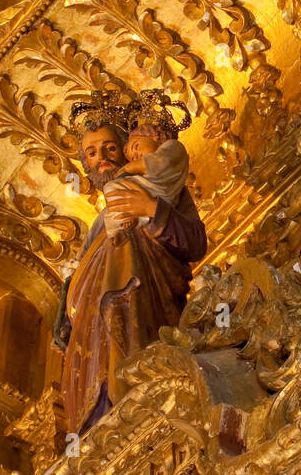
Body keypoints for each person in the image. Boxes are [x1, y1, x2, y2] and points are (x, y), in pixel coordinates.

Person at [53, 90, 206, 434]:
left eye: (109, 147)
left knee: (137, 353)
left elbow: (196, 243)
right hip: (93, 326)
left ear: (126, 149)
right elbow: (81, 279)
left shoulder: (160, 189)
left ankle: (139, 395)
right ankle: (100, 418)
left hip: (147, 301)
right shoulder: (96, 224)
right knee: (97, 361)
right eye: (91, 153)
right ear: (86, 166)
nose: (102, 158)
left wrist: (151, 210)